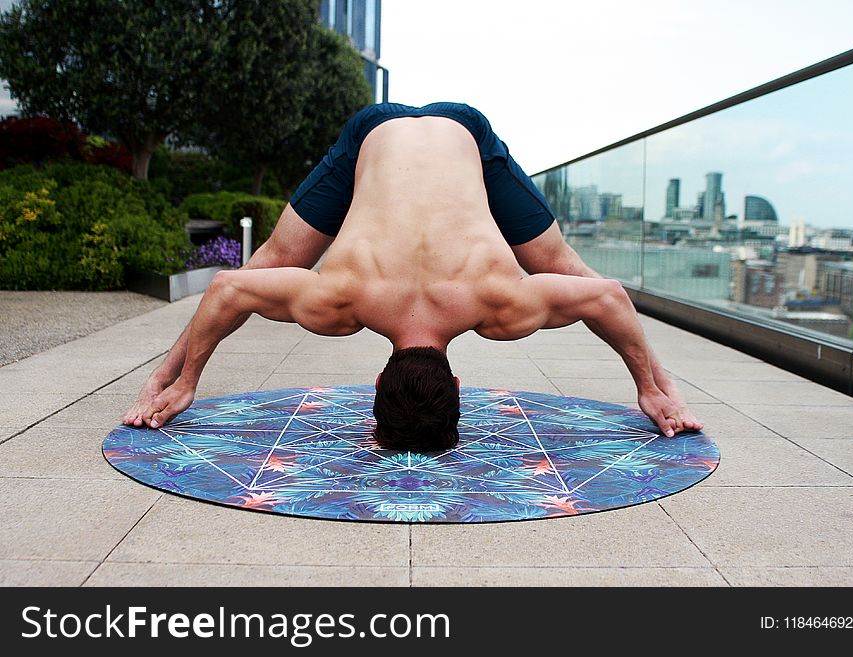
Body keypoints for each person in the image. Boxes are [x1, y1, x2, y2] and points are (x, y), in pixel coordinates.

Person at [122, 102, 702, 451]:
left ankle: (665, 388)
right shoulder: (341, 303)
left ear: (458, 389)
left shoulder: (499, 305)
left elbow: (604, 296)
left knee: (270, 260)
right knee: (564, 267)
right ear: (377, 385)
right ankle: (665, 389)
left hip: (446, 132)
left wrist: (650, 385)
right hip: (409, 133)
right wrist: (183, 379)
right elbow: (607, 292)